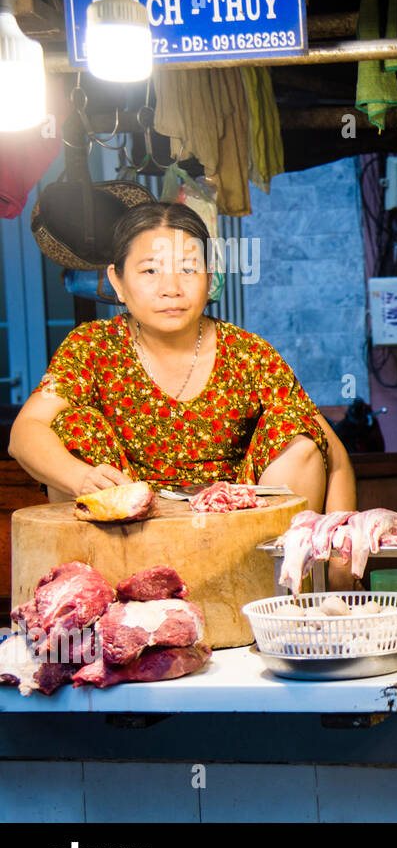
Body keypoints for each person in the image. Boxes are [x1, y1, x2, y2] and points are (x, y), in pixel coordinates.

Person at [8, 201, 359, 586]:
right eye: (150, 271)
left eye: (189, 269)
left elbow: (334, 456)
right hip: (125, 542)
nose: (171, 288)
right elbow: (25, 432)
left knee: (298, 431)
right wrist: (81, 479)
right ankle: (90, 601)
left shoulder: (248, 352)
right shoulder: (91, 346)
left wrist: (341, 574)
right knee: (69, 424)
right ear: (118, 281)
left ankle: (286, 595)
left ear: (210, 278)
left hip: (238, 545)